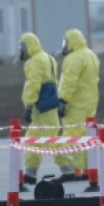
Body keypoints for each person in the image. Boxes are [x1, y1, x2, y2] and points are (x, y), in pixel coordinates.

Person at [18, 32, 74, 184]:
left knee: (33, 140)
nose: (21, 50)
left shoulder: (35, 61)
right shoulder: (48, 58)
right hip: (50, 107)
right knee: (52, 139)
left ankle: (30, 174)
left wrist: (29, 105)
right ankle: (68, 169)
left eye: (22, 47)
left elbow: (33, 84)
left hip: (40, 109)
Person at [56, 28, 100, 179]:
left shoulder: (73, 58)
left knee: (71, 134)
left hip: (75, 103)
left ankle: (72, 170)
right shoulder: (91, 55)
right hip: (90, 102)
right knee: (86, 134)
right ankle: (87, 169)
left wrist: (63, 100)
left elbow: (69, 82)